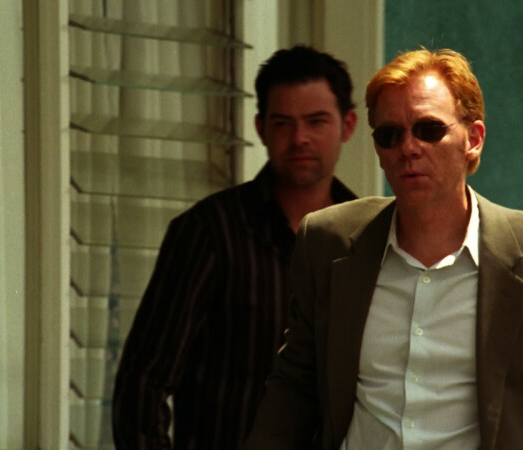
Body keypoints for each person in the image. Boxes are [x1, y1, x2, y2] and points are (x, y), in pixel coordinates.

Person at [245, 48, 523, 449]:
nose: (408, 148)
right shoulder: (328, 242)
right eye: (389, 135)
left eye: (429, 129)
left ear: (473, 139)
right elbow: (294, 390)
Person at [112, 45, 359, 449]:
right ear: (261, 128)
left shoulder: (367, 239)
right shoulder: (209, 232)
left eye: (316, 121)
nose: (299, 138)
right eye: (283, 123)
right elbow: (143, 386)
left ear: (347, 125)